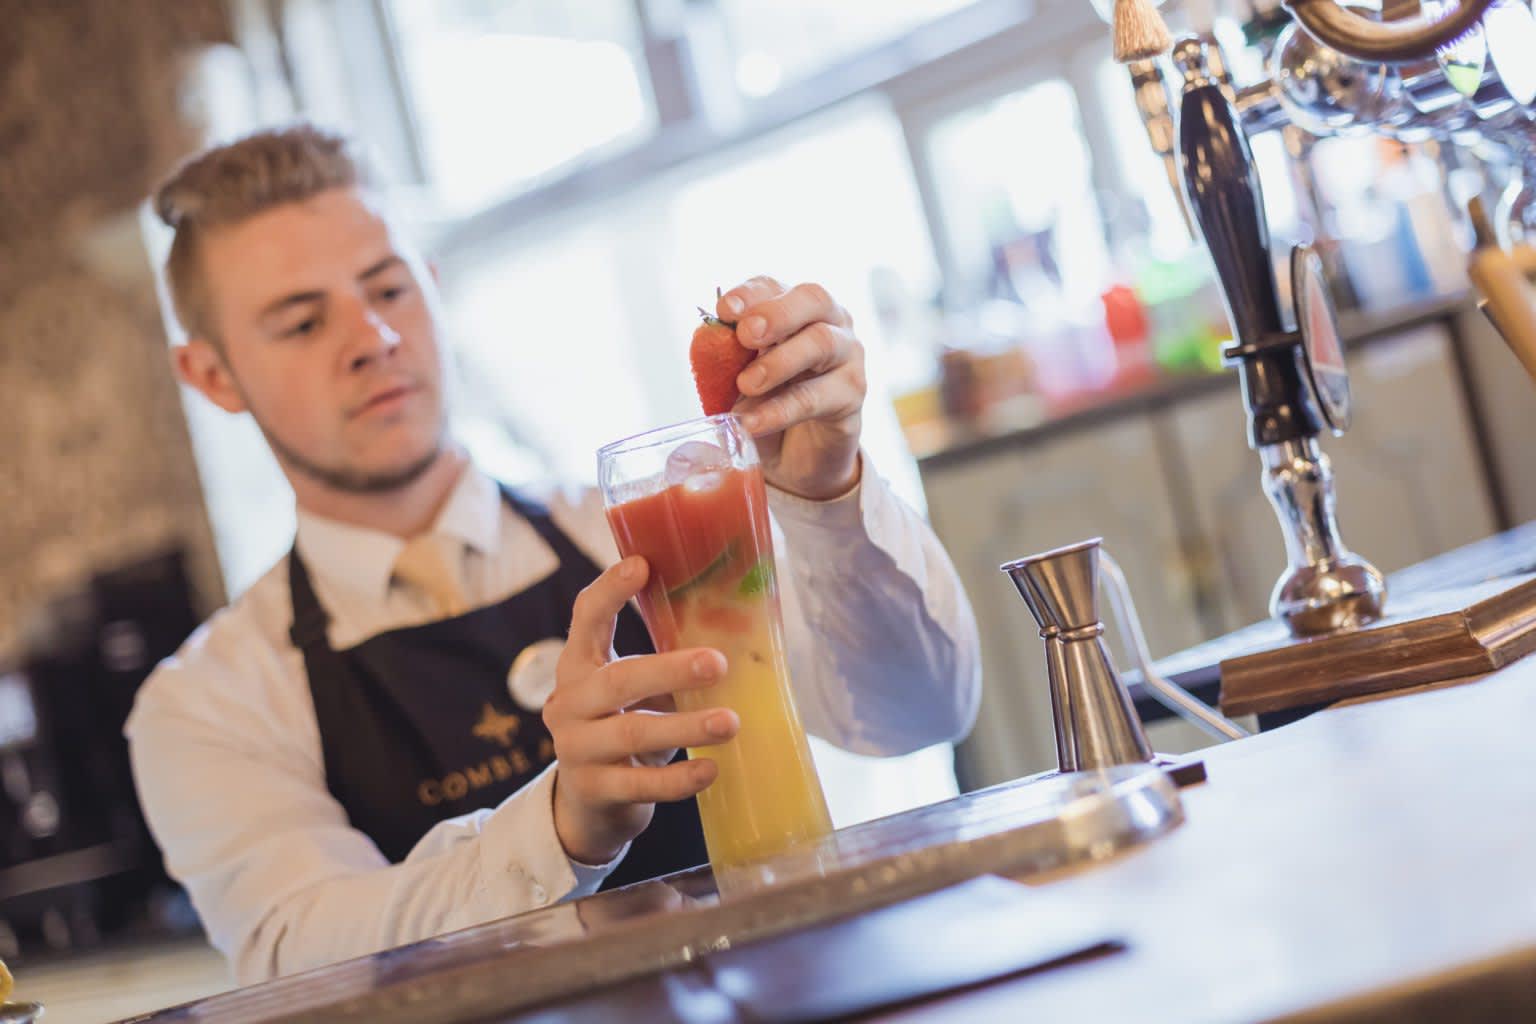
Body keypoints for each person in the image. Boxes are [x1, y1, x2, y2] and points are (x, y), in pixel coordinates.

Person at [126, 124, 981, 984]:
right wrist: (561, 827)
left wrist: (826, 500)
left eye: (388, 287)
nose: (373, 338)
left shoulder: (640, 524)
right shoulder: (208, 705)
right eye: (303, 320)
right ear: (212, 377)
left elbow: (915, 715)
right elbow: (304, 956)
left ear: (431, 286)